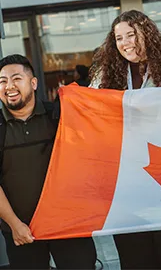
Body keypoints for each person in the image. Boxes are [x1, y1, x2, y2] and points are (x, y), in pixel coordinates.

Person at [90, 10, 161, 269]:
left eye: (132, 34)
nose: (126, 42)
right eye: (119, 38)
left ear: (146, 35)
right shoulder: (104, 78)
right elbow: (92, 118)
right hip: (127, 188)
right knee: (136, 259)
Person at [0, 54, 97, 269]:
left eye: (16, 78)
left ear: (33, 83)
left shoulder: (59, 115)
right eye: (3, 81)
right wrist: (15, 225)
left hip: (69, 227)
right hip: (22, 232)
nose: (9, 86)